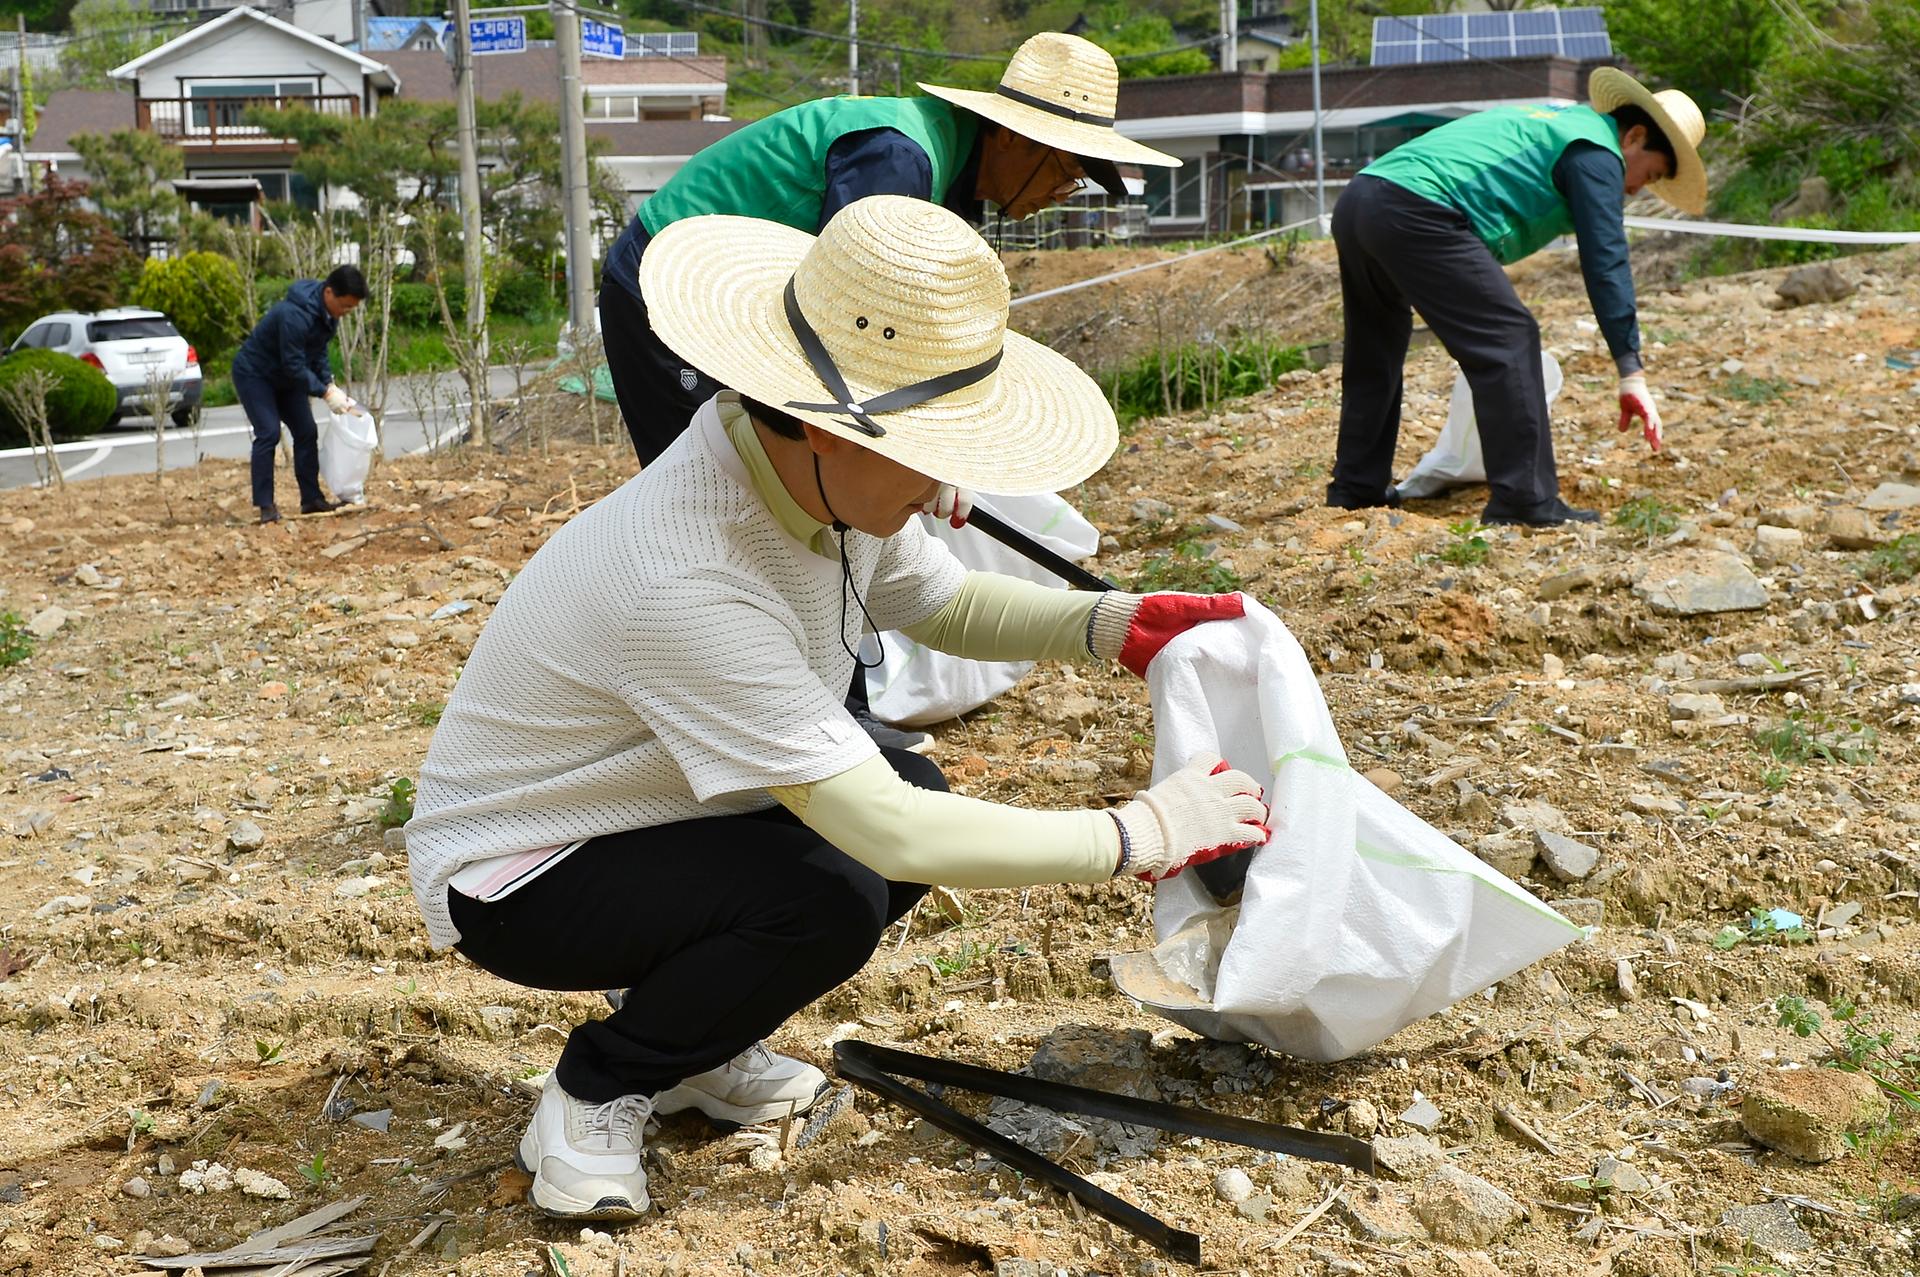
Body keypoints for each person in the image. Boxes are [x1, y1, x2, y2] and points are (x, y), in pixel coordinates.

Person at [407, 195, 1268, 1223]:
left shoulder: (801, 478)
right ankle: (598, 1086)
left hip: (644, 812)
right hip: (521, 868)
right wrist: (1138, 833)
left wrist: (1106, 625)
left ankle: (695, 1049)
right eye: (929, 444)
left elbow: (936, 597)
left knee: (907, 786)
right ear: (819, 424)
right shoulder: (688, 573)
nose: (951, 479)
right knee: (836, 886)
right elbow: (885, 832)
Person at [599, 31, 1180, 469]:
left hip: (739, 293)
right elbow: (848, 324)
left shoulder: (949, 185)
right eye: (1067, 168)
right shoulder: (898, 159)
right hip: (668, 280)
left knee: (779, 481)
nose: (1063, 192)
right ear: (1012, 136)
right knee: (713, 477)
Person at [1326, 69, 1707, 526]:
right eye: (1651, 173)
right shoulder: (1596, 153)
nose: (1636, 188)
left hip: (1363, 197)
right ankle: (1526, 500)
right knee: (1509, 337)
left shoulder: (1558, 122)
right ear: (1636, 137)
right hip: (1420, 208)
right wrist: (1631, 372)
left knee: (1376, 349)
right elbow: (1606, 260)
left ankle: (1356, 488)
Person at [230, 264, 368, 524]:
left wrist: (329, 382)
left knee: (306, 431)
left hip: (286, 376)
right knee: (269, 432)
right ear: (329, 293)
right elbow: (293, 364)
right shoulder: (295, 314)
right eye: (345, 306)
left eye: (351, 308)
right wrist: (325, 392)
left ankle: (311, 499)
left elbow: (318, 353)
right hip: (255, 374)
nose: (346, 313)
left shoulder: (329, 316)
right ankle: (266, 505)